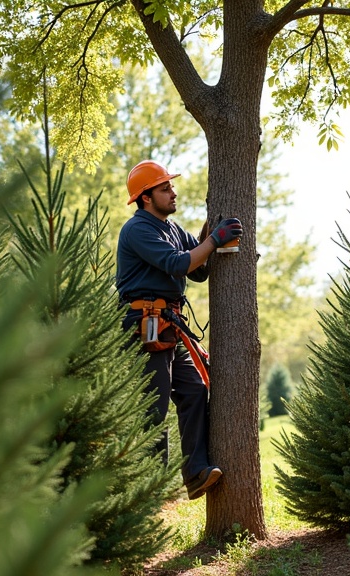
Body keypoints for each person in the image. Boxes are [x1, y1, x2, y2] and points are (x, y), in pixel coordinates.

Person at [116, 159, 243, 500]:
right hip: (145, 327)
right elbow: (179, 263)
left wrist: (208, 231)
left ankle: (196, 472)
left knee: (195, 390)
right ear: (145, 197)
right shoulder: (139, 229)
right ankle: (150, 494)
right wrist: (214, 240)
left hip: (168, 325)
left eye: (171, 186)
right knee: (153, 408)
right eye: (164, 188)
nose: (173, 192)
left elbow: (197, 272)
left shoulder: (172, 229)